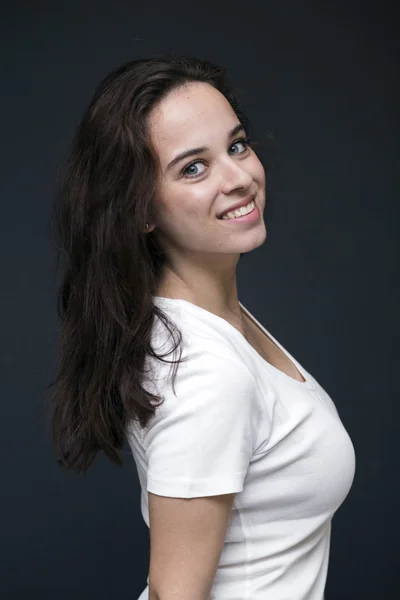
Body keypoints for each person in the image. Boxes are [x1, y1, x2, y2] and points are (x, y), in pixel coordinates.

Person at [49, 55, 356, 600]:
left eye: (236, 145)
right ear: (141, 209)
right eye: (194, 167)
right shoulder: (205, 370)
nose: (240, 178)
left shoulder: (208, 323)